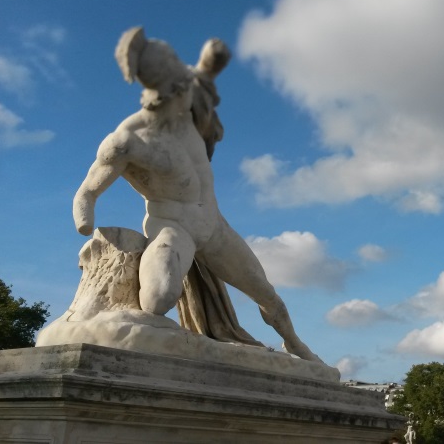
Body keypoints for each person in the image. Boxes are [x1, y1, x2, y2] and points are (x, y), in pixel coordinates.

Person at [73, 27, 322, 363]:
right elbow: (87, 191)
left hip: (215, 226)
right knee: (159, 299)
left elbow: (205, 72)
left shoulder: (188, 106)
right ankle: (124, 302)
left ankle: (294, 343)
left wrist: (213, 57)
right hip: (173, 228)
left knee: (268, 296)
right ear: (163, 89)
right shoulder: (128, 141)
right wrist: (85, 221)